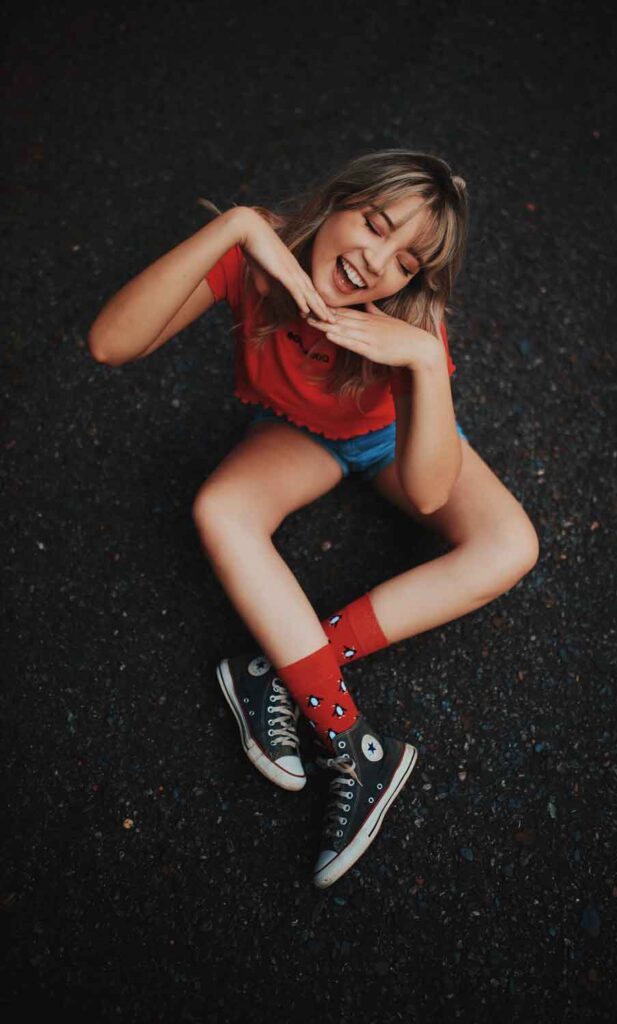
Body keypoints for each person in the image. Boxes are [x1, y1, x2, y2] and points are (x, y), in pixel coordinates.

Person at [88, 149, 539, 890]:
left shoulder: (405, 320)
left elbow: (428, 493)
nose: (375, 264)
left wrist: (424, 361)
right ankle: (355, 746)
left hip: (392, 436)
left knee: (510, 545)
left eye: (404, 262)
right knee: (219, 508)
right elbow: (110, 343)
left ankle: (280, 669)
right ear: (337, 201)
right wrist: (236, 227)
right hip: (297, 434)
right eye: (374, 224)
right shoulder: (253, 256)